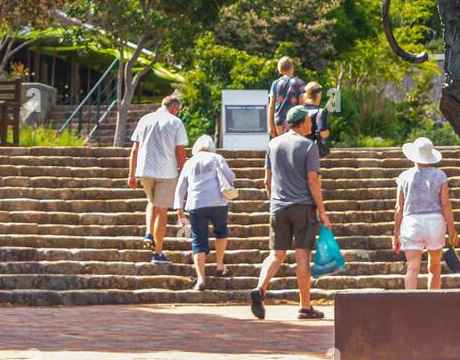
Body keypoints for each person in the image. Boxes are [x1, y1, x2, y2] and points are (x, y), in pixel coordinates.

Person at [250, 104, 330, 320]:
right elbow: (313, 181)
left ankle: (259, 289)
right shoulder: (308, 146)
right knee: (302, 256)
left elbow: (267, 180)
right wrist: (322, 211)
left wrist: (274, 200)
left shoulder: (273, 144)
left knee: (276, 254)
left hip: (278, 205)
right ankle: (305, 306)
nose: (312, 124)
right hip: (303, 205)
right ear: (303, 122)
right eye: (310, 121)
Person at [128, 93, 188, 264]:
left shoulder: (145, 119)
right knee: (161, 211)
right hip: (166, 172)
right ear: (174, 108)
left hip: (144, 170)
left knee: (151, 201)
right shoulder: (176, 123)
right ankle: (158, 252)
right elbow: (180, 151)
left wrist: (131, 174)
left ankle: (148, 233)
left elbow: (135, 149)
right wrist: (184, 172)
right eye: (178, 111)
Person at [393, 137, 457, 291]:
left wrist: (396, 233)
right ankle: (432, 307)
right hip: (435, 222)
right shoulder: (440, 176)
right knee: (434, 267)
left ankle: (409, 306)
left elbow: (398, 207)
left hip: (411, 222)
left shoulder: (404, 177)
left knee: (412, 268)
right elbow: (446, 204)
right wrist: (452, 229)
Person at [173, 135, 236, 291]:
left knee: (198, 240)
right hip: (218, 202)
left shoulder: (190, 162)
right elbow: (230, 176)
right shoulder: (217, 157)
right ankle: (220, 265)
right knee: (221, 232)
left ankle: (201, 278)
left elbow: (181, 186)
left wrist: (179, 209)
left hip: (196, 204)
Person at [268, 56, 305, 138]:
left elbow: (271, 105)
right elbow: (301, 104)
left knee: (281, 145)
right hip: (294, 120)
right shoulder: (299, 83)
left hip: (279, 120)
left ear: (279, 70)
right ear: (292, 67)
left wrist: (270, 125)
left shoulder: (275, 83)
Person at [301, 81, 330, 157]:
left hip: (297, 147)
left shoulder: (298, 110)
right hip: (311, 150)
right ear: (318, 95)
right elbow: (323, 133)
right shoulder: (320, 112)